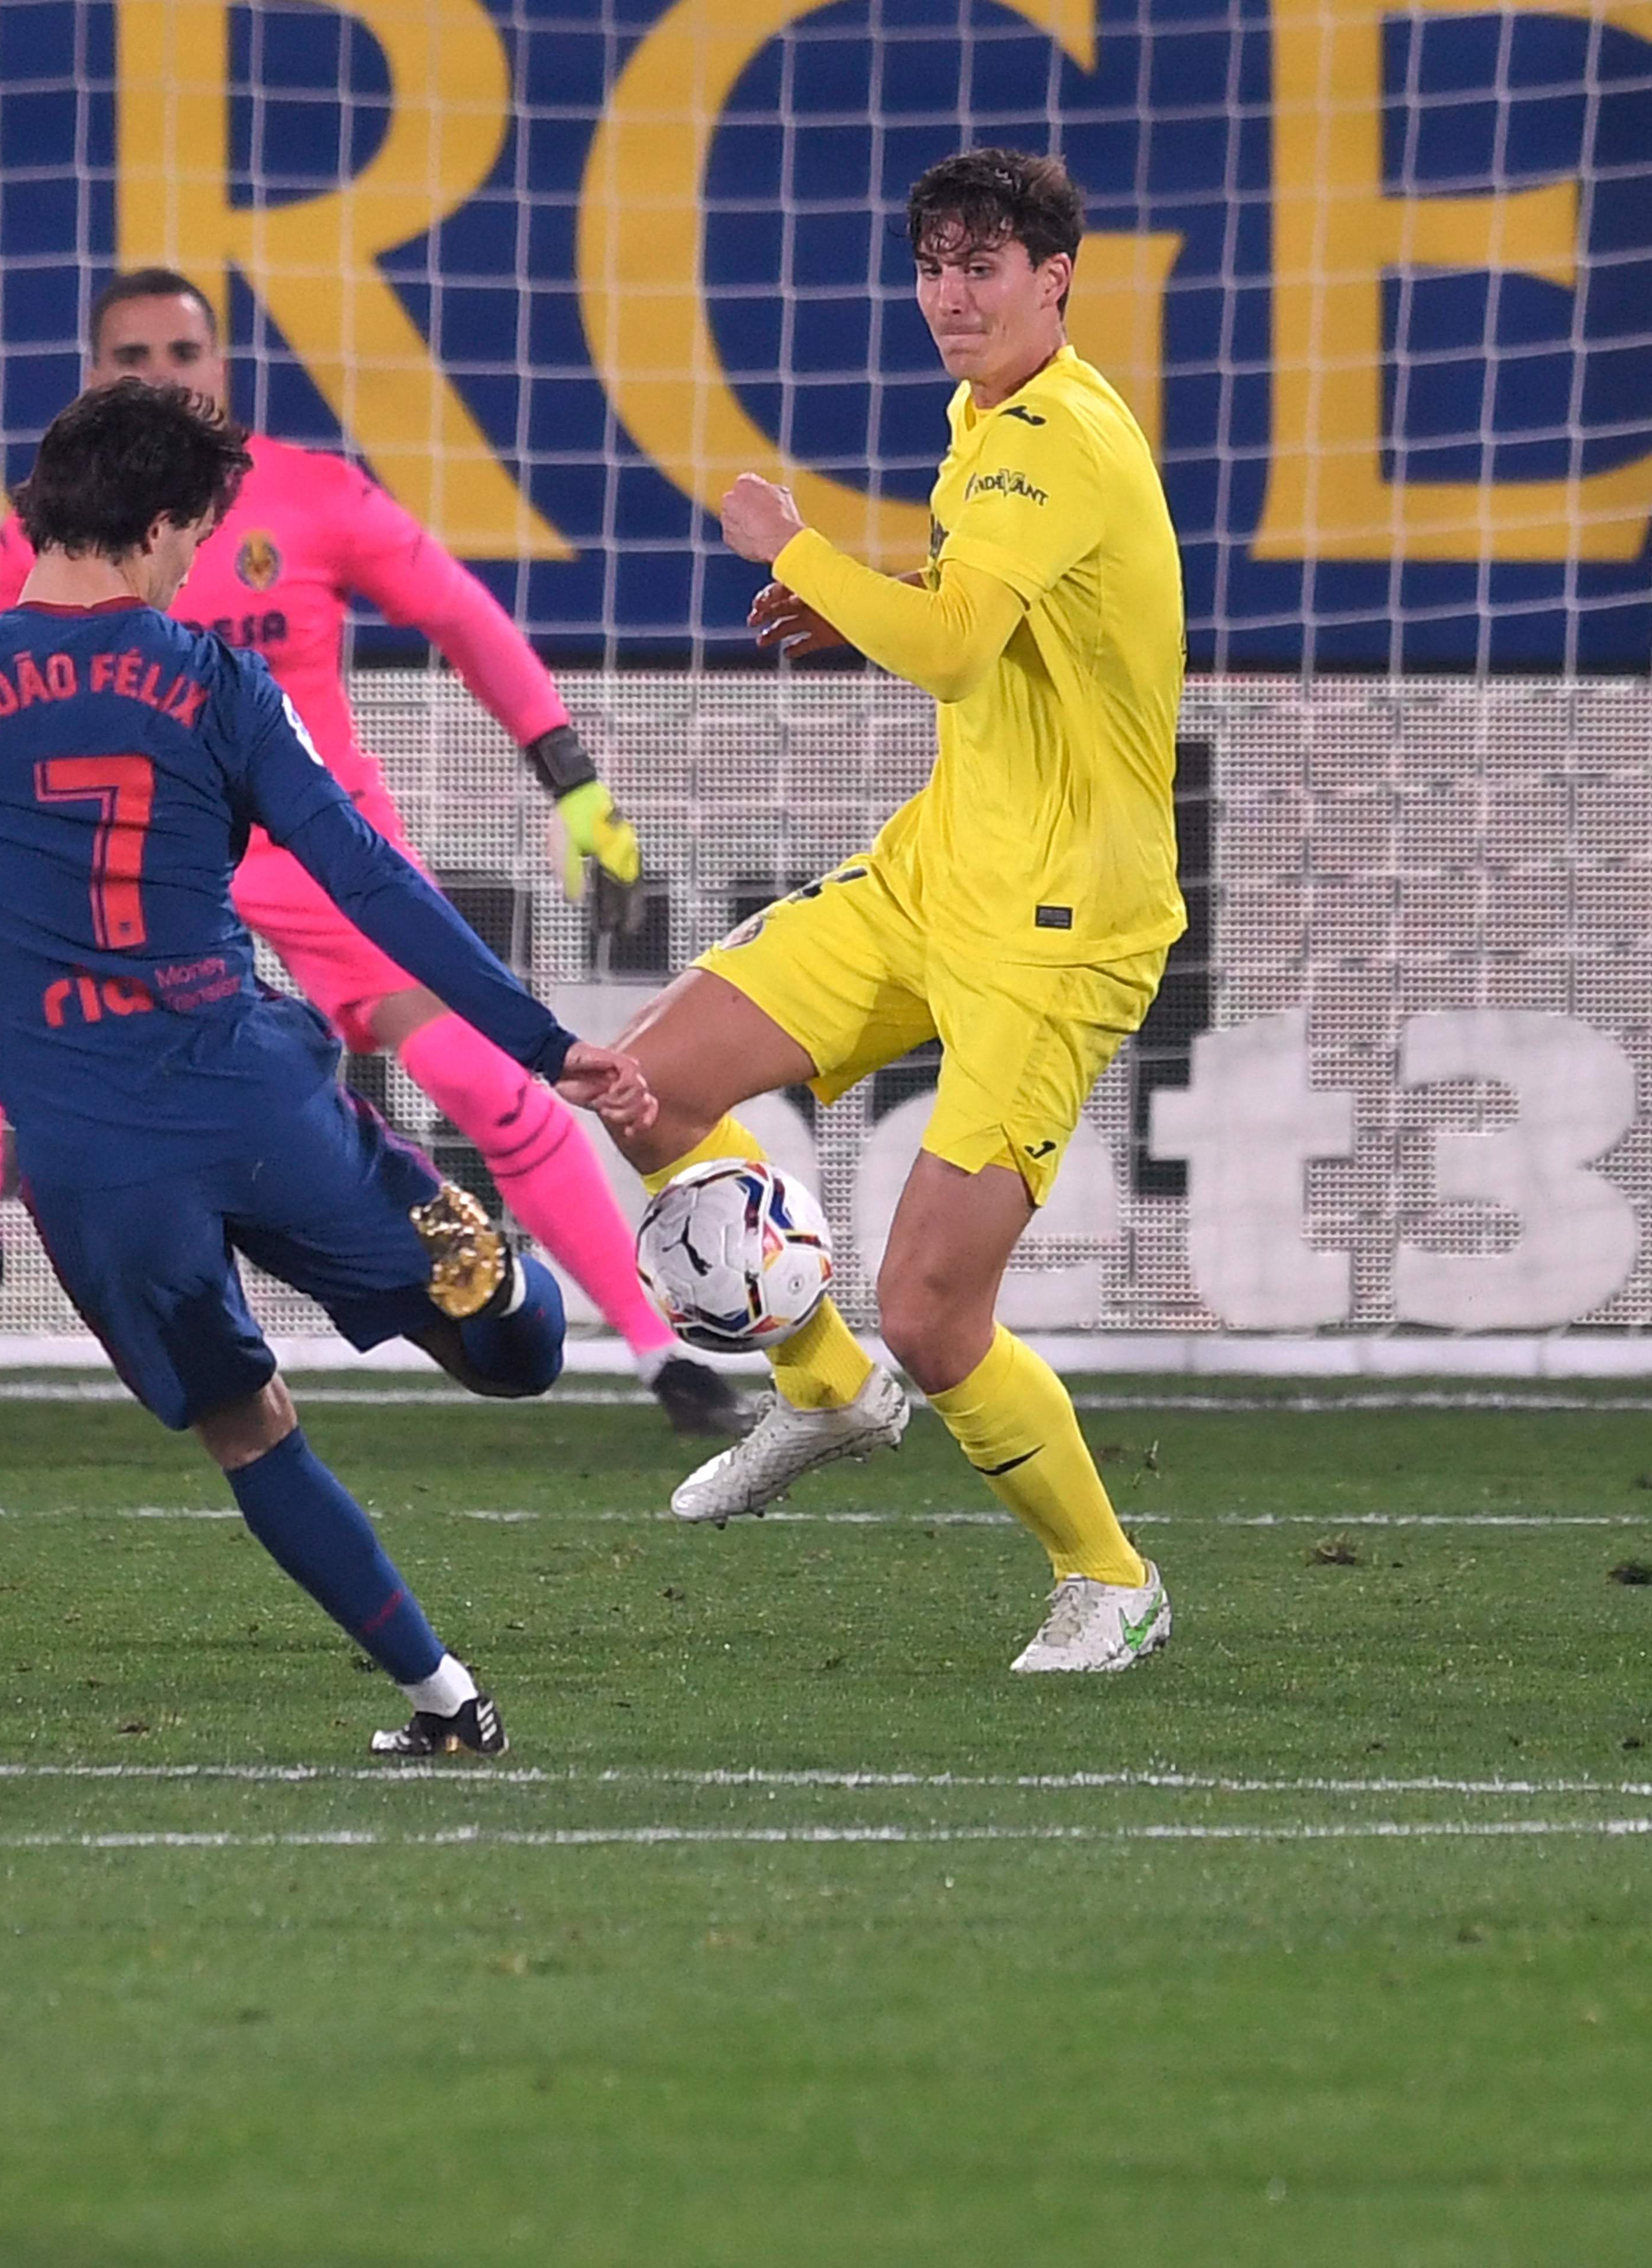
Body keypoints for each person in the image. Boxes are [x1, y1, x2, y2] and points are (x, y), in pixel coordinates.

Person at [0, 379, 656, 1758]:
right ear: (157, 531)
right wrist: (541, 1039)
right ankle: (493, 1280)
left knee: (249, 1427)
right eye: (196, 541)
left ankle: (446, 1699)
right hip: (253, 1090)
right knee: (519, 1363)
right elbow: (367, 881)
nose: (197, 566)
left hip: (94, 1162)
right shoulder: (216, 678)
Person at [0, 269, 741, 1441]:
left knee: (486, 1077)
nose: (158, 373)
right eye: (130, 355)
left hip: (313, 853)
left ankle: (660, 1357)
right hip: (130, 875)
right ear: (97, 377)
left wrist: (571, 778)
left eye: (180, 353)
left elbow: (464, 617)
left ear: (220, 369)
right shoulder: (53, 527)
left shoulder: (315, 495)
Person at [640, 147, 1179, 1673]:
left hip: (1060, 920)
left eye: (984, 264)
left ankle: (1110, 1577)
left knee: (936, 1310)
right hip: (938, 869)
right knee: (648, 1087)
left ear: (1055, 277)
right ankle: (820, 1387)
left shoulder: (1055, 436)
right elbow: (985, 629)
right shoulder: (988, 416)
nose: (952, 292)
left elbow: (950, 650)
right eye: (934, 263)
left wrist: (794, 547)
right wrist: (862, 592)